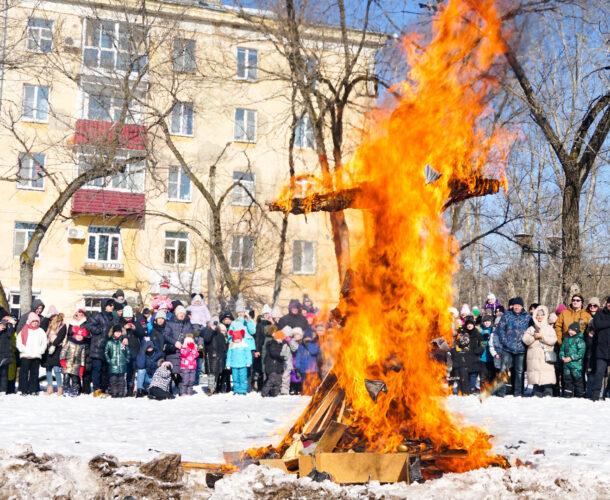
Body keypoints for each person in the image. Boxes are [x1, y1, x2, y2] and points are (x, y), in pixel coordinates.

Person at [495, 297, 531, 397]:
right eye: (515, 305)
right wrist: (504, 341)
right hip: (507, 348)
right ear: (512, 306)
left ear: (522, 306)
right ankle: (501, 392)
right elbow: (500, 329)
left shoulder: (527, 317)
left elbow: (531, 330)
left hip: (521, 348)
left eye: (519, 306)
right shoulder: (507, 315)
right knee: (503, 370)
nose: (517, 307)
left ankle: (518, 392)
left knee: (519, 371)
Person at [522, 306, 557, 397]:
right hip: (534, 356)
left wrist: (542, 337)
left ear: (545, 316)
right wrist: (534, 337)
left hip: (545, 355)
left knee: (547, 374)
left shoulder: (549, 328)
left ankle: (548, 390)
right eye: (537, 315)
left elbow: (553, 340)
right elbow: (525, 340)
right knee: (535, 373)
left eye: (542, 315)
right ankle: (536, 389)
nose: (539, 317)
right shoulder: (531, 329)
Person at [87, 298, 118, 394]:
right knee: (97, 368)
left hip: (108, 348)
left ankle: (103, 388)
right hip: (98, 346)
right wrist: (99, 330)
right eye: (110, 305)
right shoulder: (98, 316)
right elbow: (89, 325)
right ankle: (97, 389)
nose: (112, 307)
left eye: (113, 305)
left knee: (105, 369)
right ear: (105, 306)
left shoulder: (113, 318)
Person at [16, 313, 47, 395]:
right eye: (33, 321)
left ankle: (33, 389)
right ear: (30, 321)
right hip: (26, 355)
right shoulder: (24, 330)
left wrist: (41, 351)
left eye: (37, 321)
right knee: (24, 373)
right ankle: (23, 389)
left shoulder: (41, 331)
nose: (35, 323)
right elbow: (18, 341)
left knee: (34, 373)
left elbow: (44, 342)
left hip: (36, 355)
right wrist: (23, 350)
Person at [163, 305, 194, 384]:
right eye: (180, 313)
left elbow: (191, 334)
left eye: (183, 313)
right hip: (173, 350)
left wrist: (188, 342)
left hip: (185, 351)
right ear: (176, 314)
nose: (182, 315)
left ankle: (181, 387)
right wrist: (175, 342)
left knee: (183, 372)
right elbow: (165, 335)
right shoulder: (170, 323)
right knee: (173, 371)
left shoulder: (188, 324)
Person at [120, 305, 146, 397]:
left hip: (135, 350)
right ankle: (122, 388)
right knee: (124, 370)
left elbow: (142, 333)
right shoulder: (120, 324)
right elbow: (116, 334)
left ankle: (131, 388)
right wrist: (124, 329)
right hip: (123, 351)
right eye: (126, 317)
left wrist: (135, 329)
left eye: (130, 317)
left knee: (132, 370)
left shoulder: (136, 323)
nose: (128, 319)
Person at [589, 297, 610, 401]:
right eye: (609, 303)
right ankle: (595, 395)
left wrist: (605, 324)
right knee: (599, 372)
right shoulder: (600, 313)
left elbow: (602, 325)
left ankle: (607, 393)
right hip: (601, 349)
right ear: (606, 303)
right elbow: (597, 324)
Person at [60, 320, 88, 397]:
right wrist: (62, 360)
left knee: (75, 379)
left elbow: (82, 357)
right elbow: (64, 351)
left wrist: (82, 366)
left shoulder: (82, 346)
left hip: (76, 365)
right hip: (67, 364)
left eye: (81, 336)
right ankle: (66, 389)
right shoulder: (69, 342)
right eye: (78, 335)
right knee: (66, 378)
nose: (79, 337)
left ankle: (75, 390)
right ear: (75, 335)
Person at [559, 322, 586, 398]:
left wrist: (571, 358)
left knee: (578, 381)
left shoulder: (580, 340)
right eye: (569, 330)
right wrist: (562, 357)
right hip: (566, 365)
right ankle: (568, 394)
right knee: (567, 380)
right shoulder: (566, 339)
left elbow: (580, 353)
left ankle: (580, 395)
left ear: (576, 330)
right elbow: (562, 350)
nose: (570, 332)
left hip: (576, 366)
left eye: (572, 330)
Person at [43, 311, 66, 395]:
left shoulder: (62, 325)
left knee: (56, 369)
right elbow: (41, 328)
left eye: (54, 316)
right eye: (51, 316)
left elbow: (61, 336)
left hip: (57, 348)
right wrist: (46, 318)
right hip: (47, 347)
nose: (52, 317)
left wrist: (54, 345)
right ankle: (50, 387)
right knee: (48, 368)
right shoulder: (48, 324)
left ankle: (60, 387)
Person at [104, 325, 131, 398]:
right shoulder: (109, 342)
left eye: (119, 332)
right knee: (113, 379)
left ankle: (120, 392)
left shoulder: (123, 341)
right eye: (116, 332)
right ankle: (114, 392)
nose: (118, 333)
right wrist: (109, 361)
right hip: (113, 364)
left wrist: (127, 359)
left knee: (121, 380)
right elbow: (106, 352)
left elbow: (128, 351)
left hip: (122, 364)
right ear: (113, 333)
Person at [203, 319, 227, 395]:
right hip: (210, 356)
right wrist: (211, 330)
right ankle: (210, 389)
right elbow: (206, 339)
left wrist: (222, 356)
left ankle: (215, 388)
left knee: (216, 374)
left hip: (219, 357)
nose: (215, 326)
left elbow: (224, 347)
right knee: (211, 374)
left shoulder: (220, 335)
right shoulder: (207, 332)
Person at [225, 329, 252, 395]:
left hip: (243, 365)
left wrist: (248, 362)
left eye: (238, 339)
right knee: (235, 378)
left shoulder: (245, 345)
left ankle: (243, 390)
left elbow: (248, 355)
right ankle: (236, 389)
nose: (236, 340)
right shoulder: (232, 346)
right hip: (234, 365)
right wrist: (228, 364)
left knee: (243, 378)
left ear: (240, 338)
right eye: (235, 339)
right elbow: (229, 356)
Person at [262, 330, 286, 397]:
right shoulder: (272, 344)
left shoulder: (280, 345)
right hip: (272, 366)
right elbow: (274, 353)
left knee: (278, 381)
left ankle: (274, 393)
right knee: (271, 380)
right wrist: (282, 356)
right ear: (278, 338)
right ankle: (264, 392)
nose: (282, 340)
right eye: (281, 339)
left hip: (278, 367)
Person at [0, 317, 15, 394]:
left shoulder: (8, 327)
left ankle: (3, 389)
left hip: (5, 353)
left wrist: (10, 325)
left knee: (4, 373)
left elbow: (11, 334)